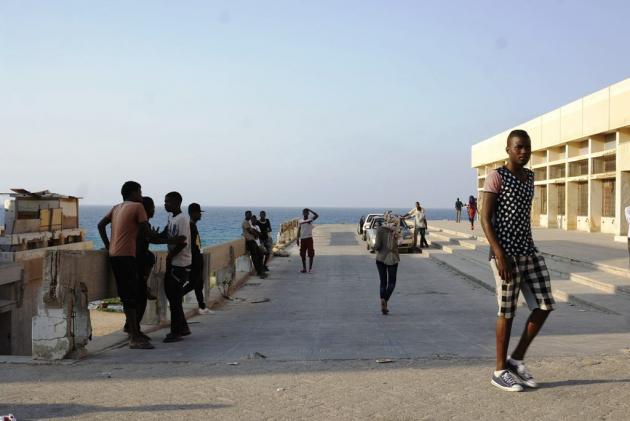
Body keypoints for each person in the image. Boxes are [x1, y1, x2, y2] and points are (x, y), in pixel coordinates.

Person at [480, 129, 555, 392]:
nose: (523, 152)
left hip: (528, 250)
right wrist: (499, 254)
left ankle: (516, 359)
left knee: (545, 304)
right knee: (507, 311)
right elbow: (485, 219)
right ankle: (499, 370)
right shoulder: (496, 177)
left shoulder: (530, 176)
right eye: (518, 147)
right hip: (505, 254)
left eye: (527, 147)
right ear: (508, 150)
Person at [97, 182, 183, 349]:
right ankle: (134, 337)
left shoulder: (116, 207)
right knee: (130, 296)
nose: (141, 195)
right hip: (127, 256)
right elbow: (146, 232)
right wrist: (170, 240)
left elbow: (101, 225)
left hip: (115, 256)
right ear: (134, 192)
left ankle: (134, 331)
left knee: (130, 294)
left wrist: (109, 245)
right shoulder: (138, 207)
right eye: (140, 191)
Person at [122, 196, 157, 338]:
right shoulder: (142, 225)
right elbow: (151, 239)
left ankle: (131, 326)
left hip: (136, 264)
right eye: (152, 207)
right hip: (135, 265)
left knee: (135, 299)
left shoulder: (140, 224)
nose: (154, 210)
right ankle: (133, 329)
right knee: (139, 300)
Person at [162, 191, 193, 343]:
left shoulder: (183, 219)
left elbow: (183, 242)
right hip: (173, 263)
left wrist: (169, 256)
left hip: (180, 264)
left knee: (174, 298)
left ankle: (176, 332)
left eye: (167, 202)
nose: (165, 204)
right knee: (172, 296)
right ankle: (183, 327)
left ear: (176, 203)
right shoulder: (171, 217)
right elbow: (166, 234)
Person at [181, 203, 211, 315]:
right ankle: (176, 297)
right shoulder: (190, 226)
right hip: (194, 259)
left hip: (198, 257)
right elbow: (189, 245)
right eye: (199, 212)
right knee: (192, 284)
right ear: (193, 213)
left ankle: (202, 306)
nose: (200, 215)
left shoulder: (193, 225)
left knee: (199, 284)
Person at [373, 211, 400, 315]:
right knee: (392, 282)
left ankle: (382, 301)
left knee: (383, 282)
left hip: (381, 259)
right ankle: (386, 299)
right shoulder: (396, 231)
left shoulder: (380, 230)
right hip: (393, 259)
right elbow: (399, 243)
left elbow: (378, 245)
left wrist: (374, 248)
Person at [242, 211, 268, 279]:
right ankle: (259, 272)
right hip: (250, 241)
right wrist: (257, 234)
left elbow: (253, 230)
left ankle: (261, 271)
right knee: (255, 256)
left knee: (259, 254)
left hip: (253, 241)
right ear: (246, 215)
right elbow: (250, 230)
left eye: (250, 215)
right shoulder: (245, 222)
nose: (250, 216)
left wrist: (256, 233)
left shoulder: (249, 222)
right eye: (249, 215)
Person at [297, 208, 319, 273]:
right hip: (302, 239)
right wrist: (297, 239)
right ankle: (304, 268)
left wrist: (310, 209)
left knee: (311, 254)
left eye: (307, 212)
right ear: (302, 213)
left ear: (308, 213)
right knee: (302, 254)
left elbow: (317, 215)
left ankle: (310, 269)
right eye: (304, 212)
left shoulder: (310, 220)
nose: (305, 213)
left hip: (309, 238)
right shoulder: (300, 221)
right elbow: (299, 230)